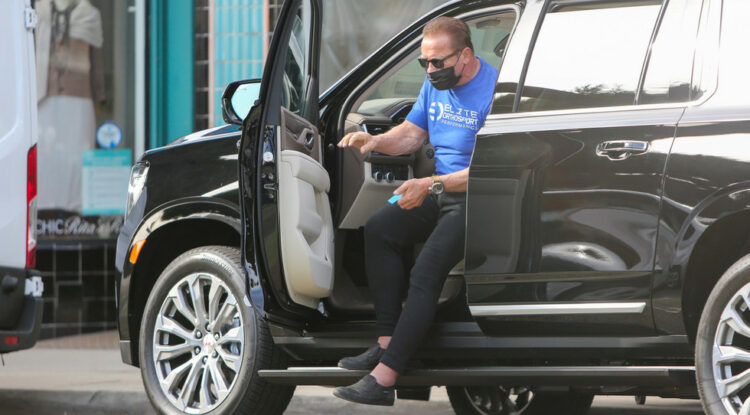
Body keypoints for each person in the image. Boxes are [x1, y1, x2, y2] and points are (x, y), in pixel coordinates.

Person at [332, 16, 498, 406]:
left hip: (480, 199)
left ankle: (385, 378)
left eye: (439, 62)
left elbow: (492, 171)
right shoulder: (434, 84)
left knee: (426, 269)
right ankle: (386, 343)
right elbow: (410, 134)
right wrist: (375, 142)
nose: (431, 70)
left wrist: (430, 184)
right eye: (425, 62)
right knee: (379, 227)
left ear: (465, 55)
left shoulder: (495, 91)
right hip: (439, 188)